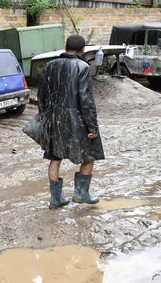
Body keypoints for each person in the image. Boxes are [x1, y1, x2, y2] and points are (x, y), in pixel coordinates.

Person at [37, 35, 105, 209]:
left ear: (65, 47)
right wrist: (92, 127)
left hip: (53, 119)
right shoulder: (83, 67)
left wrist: (43, 114)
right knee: (90, 154)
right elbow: (86, 100)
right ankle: (81, 194)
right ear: (83, 50)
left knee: (55, 156)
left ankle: (55, 199)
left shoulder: (49, 66)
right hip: (76, 120)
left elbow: (41, 94)